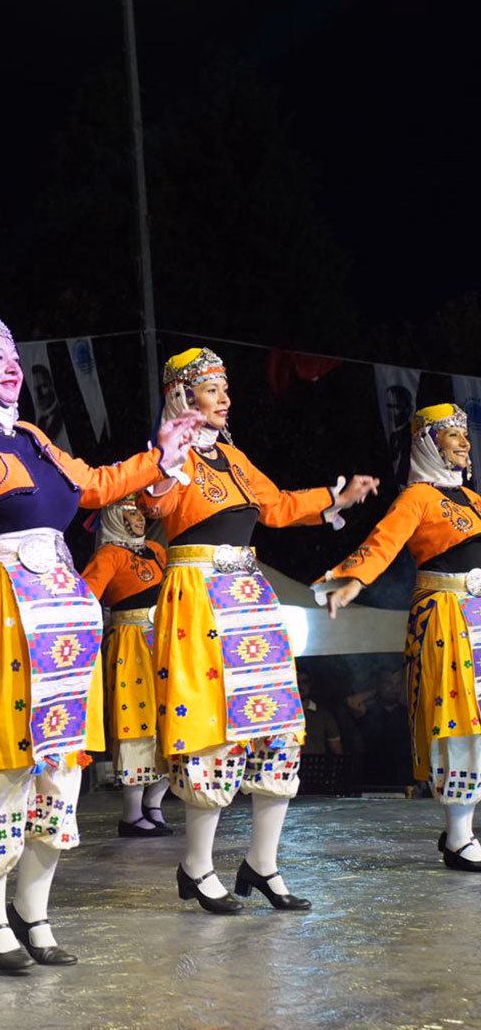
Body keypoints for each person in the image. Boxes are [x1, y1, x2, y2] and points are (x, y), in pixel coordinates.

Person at [0, 314, 200, 972]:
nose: (12, 365)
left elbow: (93, 485)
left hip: (58, 615)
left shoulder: (30, 436)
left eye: (14, 355)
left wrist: (158, 457)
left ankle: (35, 912)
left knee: (58, 762)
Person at [139, 347, 375, 915]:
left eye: (225, 388)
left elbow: (276, 506)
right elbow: (151, 505)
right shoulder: (166, 458)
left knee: (280, 728)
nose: (225, 398)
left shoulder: (233, 458)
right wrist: (165, 458)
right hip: (199, 597)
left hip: (250, 599)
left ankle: (262, 863)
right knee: (212, 730)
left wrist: (335, 499)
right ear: (181, 396)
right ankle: (197, 866)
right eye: (212, 389)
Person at [319, 404, 481, 871]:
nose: (464, 442)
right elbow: (383, 542)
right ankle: (459, 835)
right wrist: (353, 580)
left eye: (464, 434)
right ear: (428, 443)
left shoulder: (472, 499)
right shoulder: (418, 497)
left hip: (477, 615)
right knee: (457, 723)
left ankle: (462, 829)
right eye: (451, 435)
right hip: (446, 616)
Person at [79, 494, 173, 837]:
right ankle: (132, 814)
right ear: (115, 518)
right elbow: (86, 598)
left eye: (140, 512)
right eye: (130, 513)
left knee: (170, 719)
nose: (139, 519)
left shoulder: (158, 551)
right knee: (135, 720)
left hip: (163, 642)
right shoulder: (108, 556)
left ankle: (154, 804)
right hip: (130, 644)